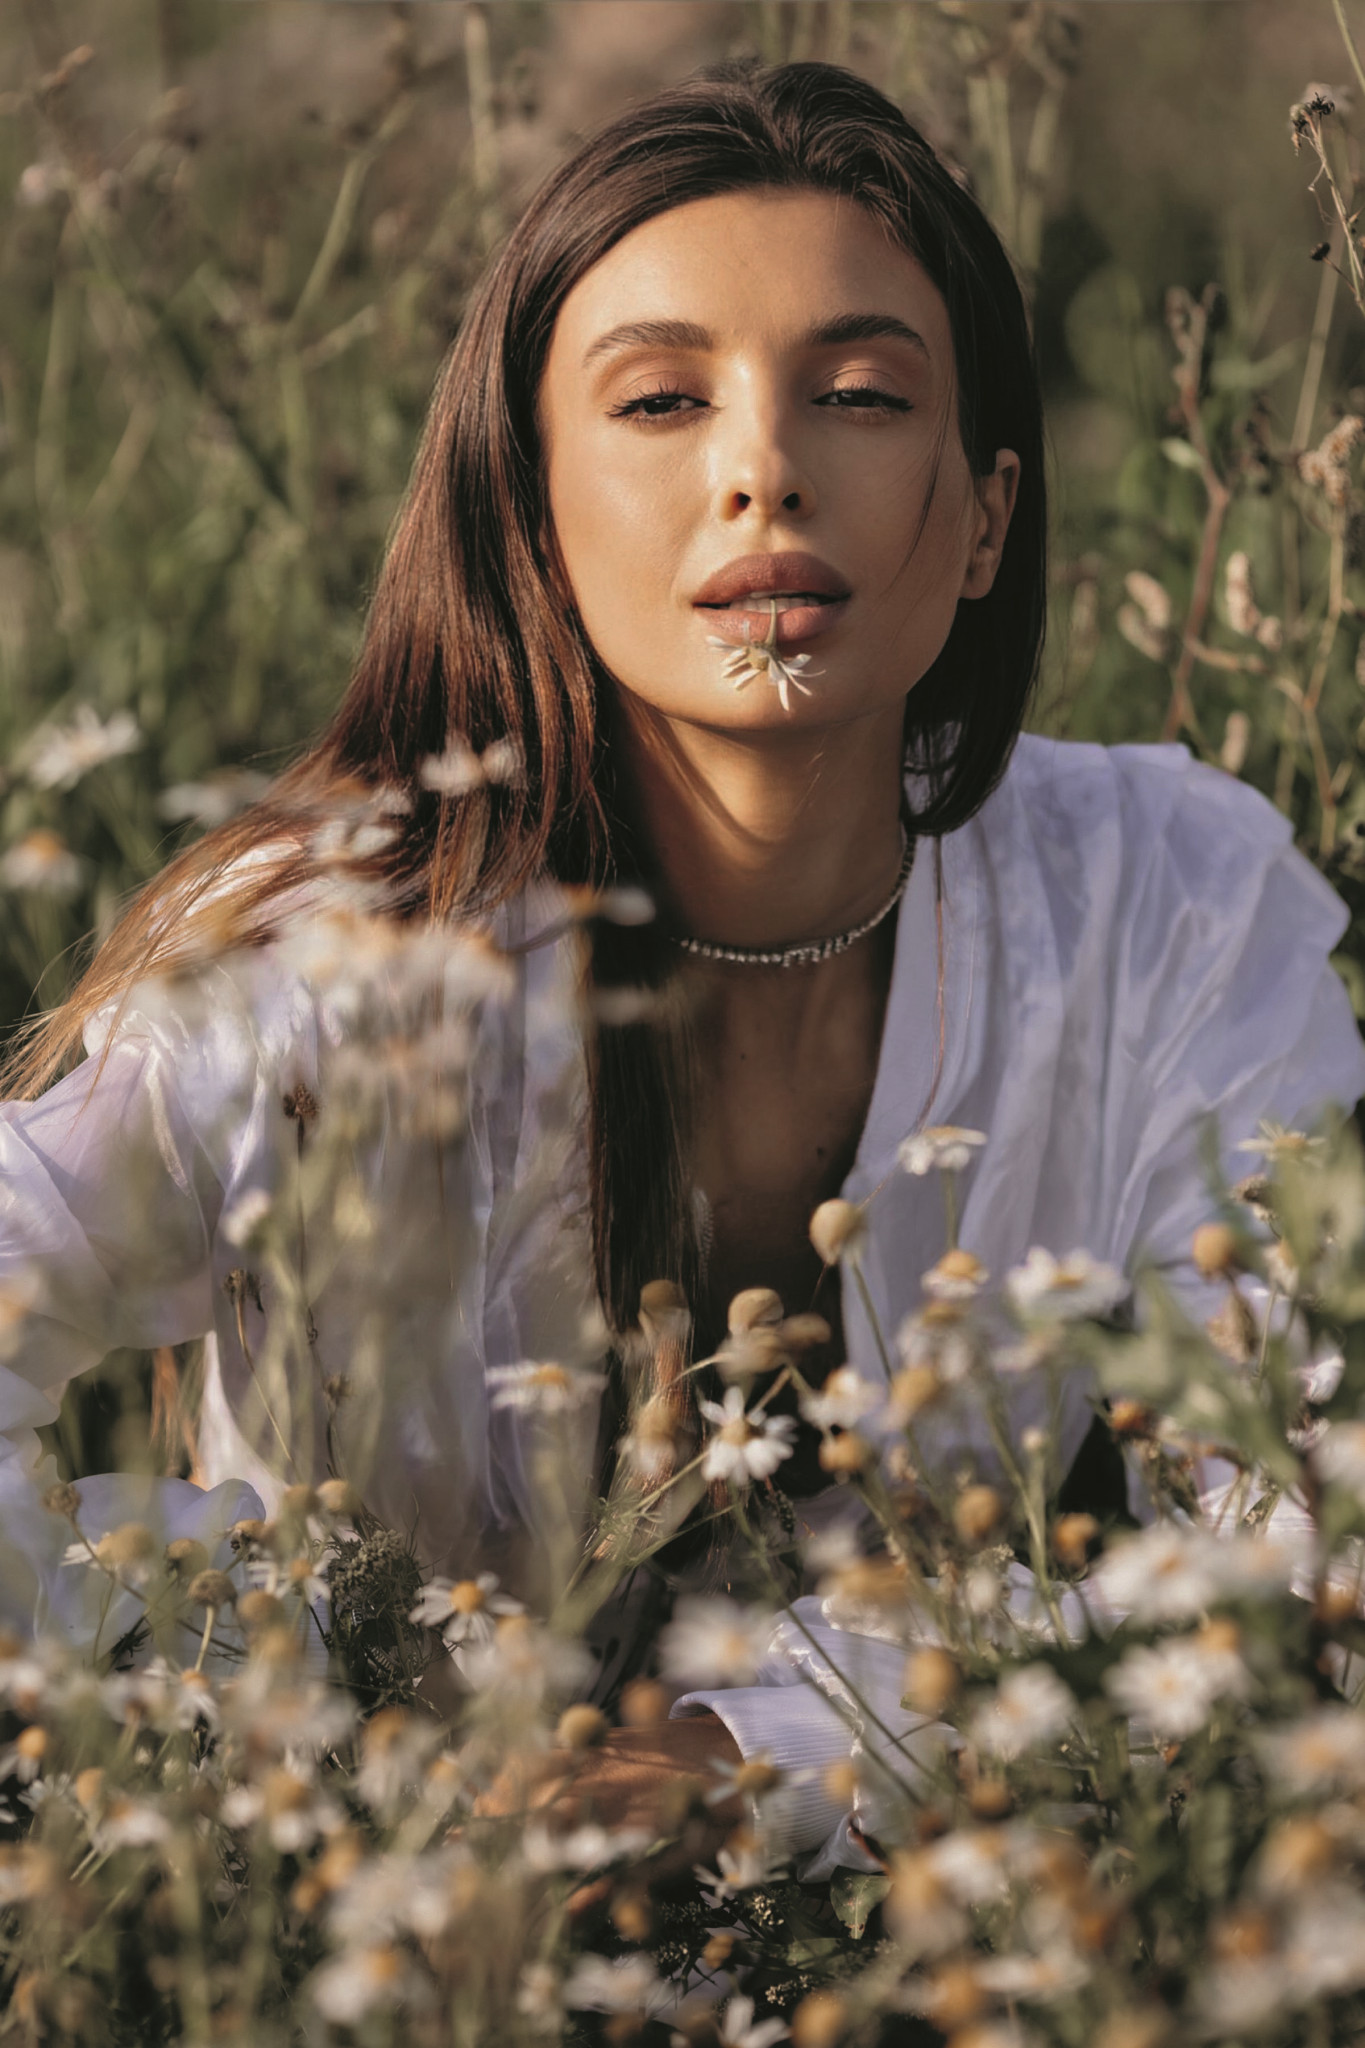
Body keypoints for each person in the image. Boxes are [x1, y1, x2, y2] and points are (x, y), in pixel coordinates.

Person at [1, 61, 1361, 1875]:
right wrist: (198, 1703)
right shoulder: (333, 963)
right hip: (367, 1911)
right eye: (658, 400)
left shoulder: (1169, 904)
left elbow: (1306, 1513)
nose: (760, 469)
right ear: (531, 515)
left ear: (983, 519)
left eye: (859, 395)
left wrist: (760, 1761)